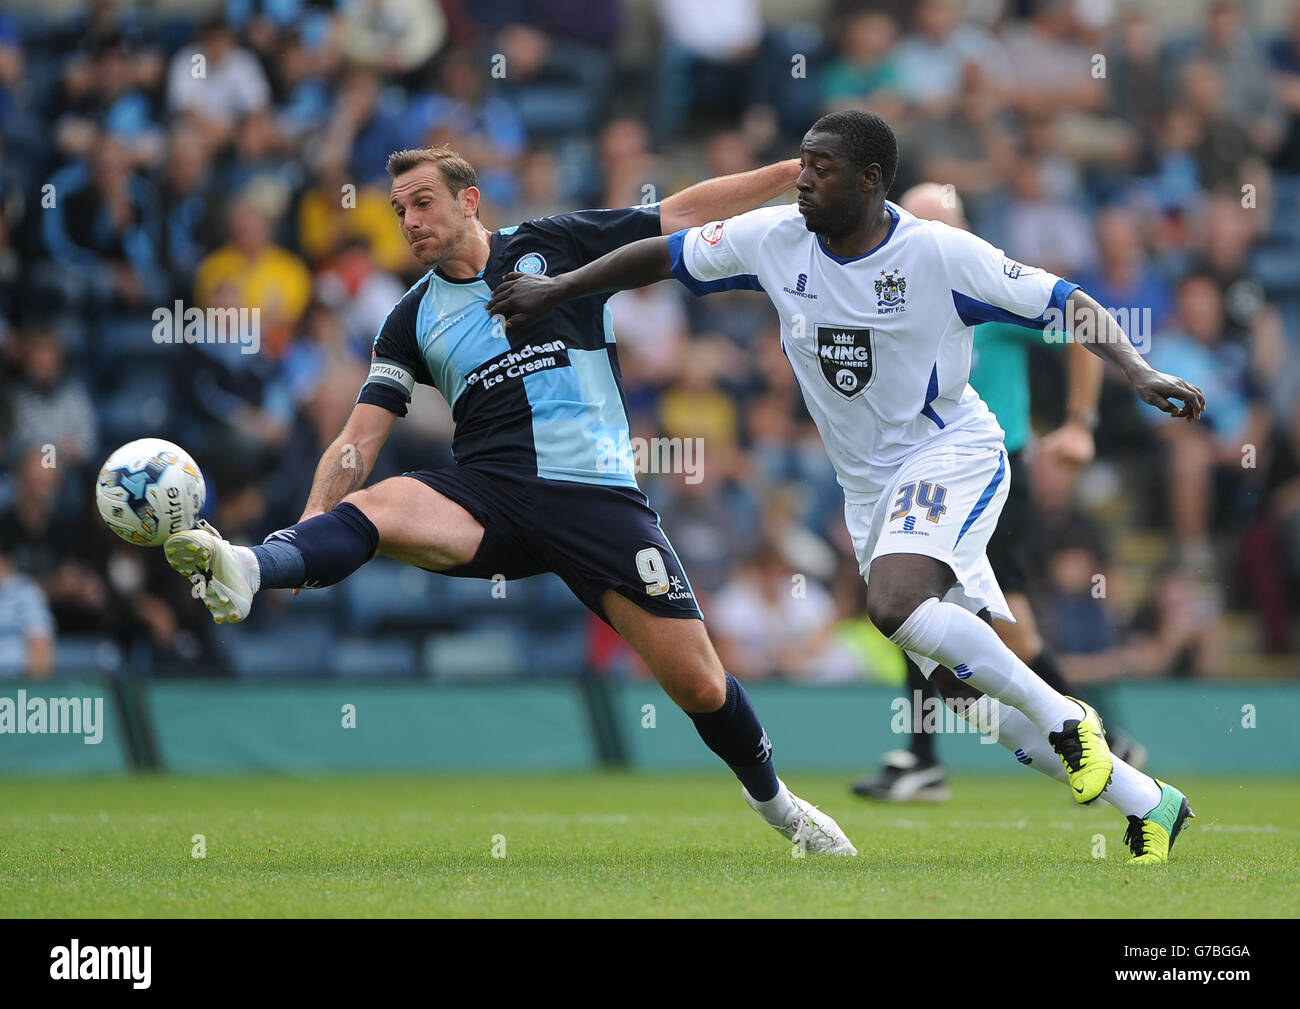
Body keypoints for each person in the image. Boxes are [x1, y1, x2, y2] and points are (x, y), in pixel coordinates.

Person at [486, 110, 1207, 865]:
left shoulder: (939, 253)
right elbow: (658, 257)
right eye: (801, 163)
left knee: (895, 605)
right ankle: (1148, 801)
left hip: (951, 454)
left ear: (868, 180)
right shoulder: (775, 240)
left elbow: (1068, 302)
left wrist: (1140, 370)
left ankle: (1067, 718)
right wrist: (562, 287)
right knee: (965, 698)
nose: (801, 178)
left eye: (820, 168)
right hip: (869, 491)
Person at [164, 145, 857, 856]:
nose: (409, 220)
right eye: (399, 210)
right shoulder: (408, 320)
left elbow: (680, 211)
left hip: (596, 496)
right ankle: (249, 568)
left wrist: (787, 174)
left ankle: (781, 808)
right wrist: (306, 531)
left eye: (423, 202)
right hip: (488, 496)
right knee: (380, 505)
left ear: (469, 201)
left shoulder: (554, 243)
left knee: (701, 685)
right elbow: (357, 437)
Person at [851, 183, 1146, 804]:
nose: (915, 236)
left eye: (934, 224)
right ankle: (927, 756)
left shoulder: (984, 285)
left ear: (961, 230)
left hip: (989, 475)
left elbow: (1077, 322)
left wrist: (1079, 423)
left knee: (1001, 622)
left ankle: (1103, 740)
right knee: (916, 603)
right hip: (921, 473)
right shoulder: (891, 291)